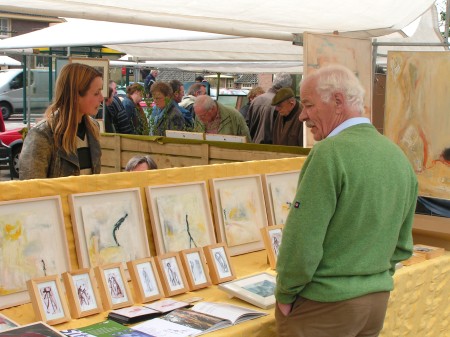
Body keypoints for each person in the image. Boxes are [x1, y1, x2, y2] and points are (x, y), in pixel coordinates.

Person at [275, 65, 418, 337]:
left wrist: (285, 292)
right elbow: (402, 245)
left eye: (308, 105)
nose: (302, 115)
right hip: (375, 301)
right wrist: (374, 276)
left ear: (338, 102)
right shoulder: (396, 156)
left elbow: (302, 239)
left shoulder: (329, 154)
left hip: (324, 305)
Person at [19, 63, 103, 179]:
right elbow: (30, 189)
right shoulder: (42, 135)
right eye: (96, 93)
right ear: (75, 96)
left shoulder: (93, 128)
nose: (102, 98)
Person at [246, 73, 292, 144]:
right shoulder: (280, 104)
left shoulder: (255, 100)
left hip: (253, 146)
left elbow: (247, 125)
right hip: (270, 148)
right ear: (285, 88)